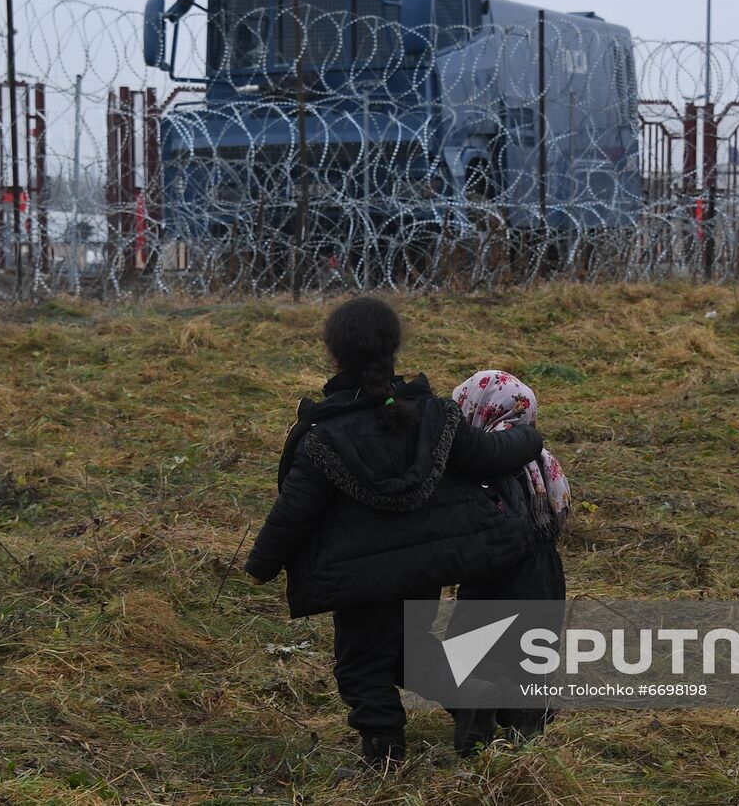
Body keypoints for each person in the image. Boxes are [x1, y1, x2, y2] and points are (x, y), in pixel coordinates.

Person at [243, 297, 544, 768]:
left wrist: (261, 565)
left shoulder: (325, 435)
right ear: (393, 349)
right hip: (423, 567)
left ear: (333, 354)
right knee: (408, 650)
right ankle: (472, 696)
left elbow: (293, 511)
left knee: (362, 664)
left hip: (360, 578)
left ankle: (383, 758)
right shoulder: (432, 415)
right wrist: (530, 437)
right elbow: (488, 455)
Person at [450, 370, 570, 742]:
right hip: (546, 571)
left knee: (465, 654)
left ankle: (496, 717)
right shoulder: (539, 457)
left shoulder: (487, 460)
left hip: (501, 571)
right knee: (530, 652)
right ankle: (529, 718)